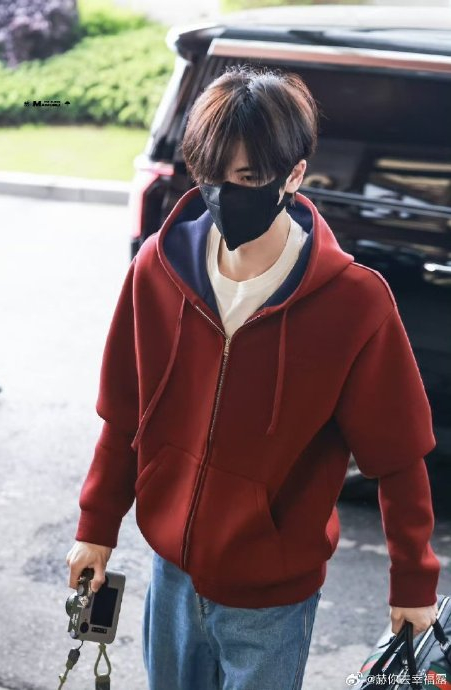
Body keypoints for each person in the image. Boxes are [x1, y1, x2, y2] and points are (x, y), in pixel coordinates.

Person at [66, 65, 439, 689]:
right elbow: (125, 415)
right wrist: (95, 529)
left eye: (244, 179)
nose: (221, 196)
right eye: (209, 175)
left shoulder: (355, 302)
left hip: (272, 604)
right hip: (171, 578)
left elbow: (398, 455)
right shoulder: (158, 269)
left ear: (294, 175)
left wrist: (413, 583)